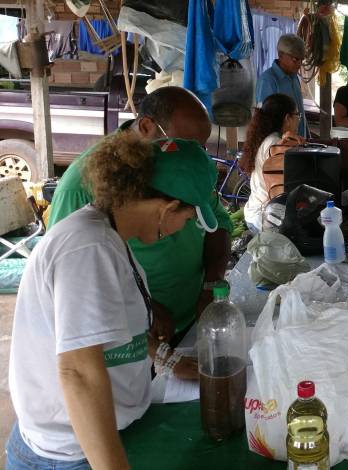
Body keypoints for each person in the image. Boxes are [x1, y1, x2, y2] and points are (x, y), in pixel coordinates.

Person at [7, 134, 215, 469]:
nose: (181, 230)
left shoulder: (108, 235)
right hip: (68, 455)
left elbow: (107, 332)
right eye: (187, 220)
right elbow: (77, 372)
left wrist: (163, 357)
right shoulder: (89, 249)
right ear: (168, 208)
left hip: (91, 442)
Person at [48, 87, 233, 346]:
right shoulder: (80, 187)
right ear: (146, 126)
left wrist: (211, 283)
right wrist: (147, 308)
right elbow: (72, 289)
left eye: (200, 147)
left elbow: (219, 222)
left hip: (189, 322)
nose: (196, 154)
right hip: (133, 337)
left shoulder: (184, 166)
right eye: (186, 144)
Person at [241, 93, 304, 232]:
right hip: (263, 219)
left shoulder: (266, 139)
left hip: (253, 213)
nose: (299, 120)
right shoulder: (275, 144)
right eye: (297, 115)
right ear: (287, 118)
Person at [255, 33, 307, 137]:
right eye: (295, 59)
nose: (299, 64)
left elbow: (300, 113)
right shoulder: (268, 80)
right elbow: (265, 121)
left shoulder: (294, 77)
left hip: (298, 142)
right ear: (280, 55)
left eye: (302, 60)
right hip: (280, 146)